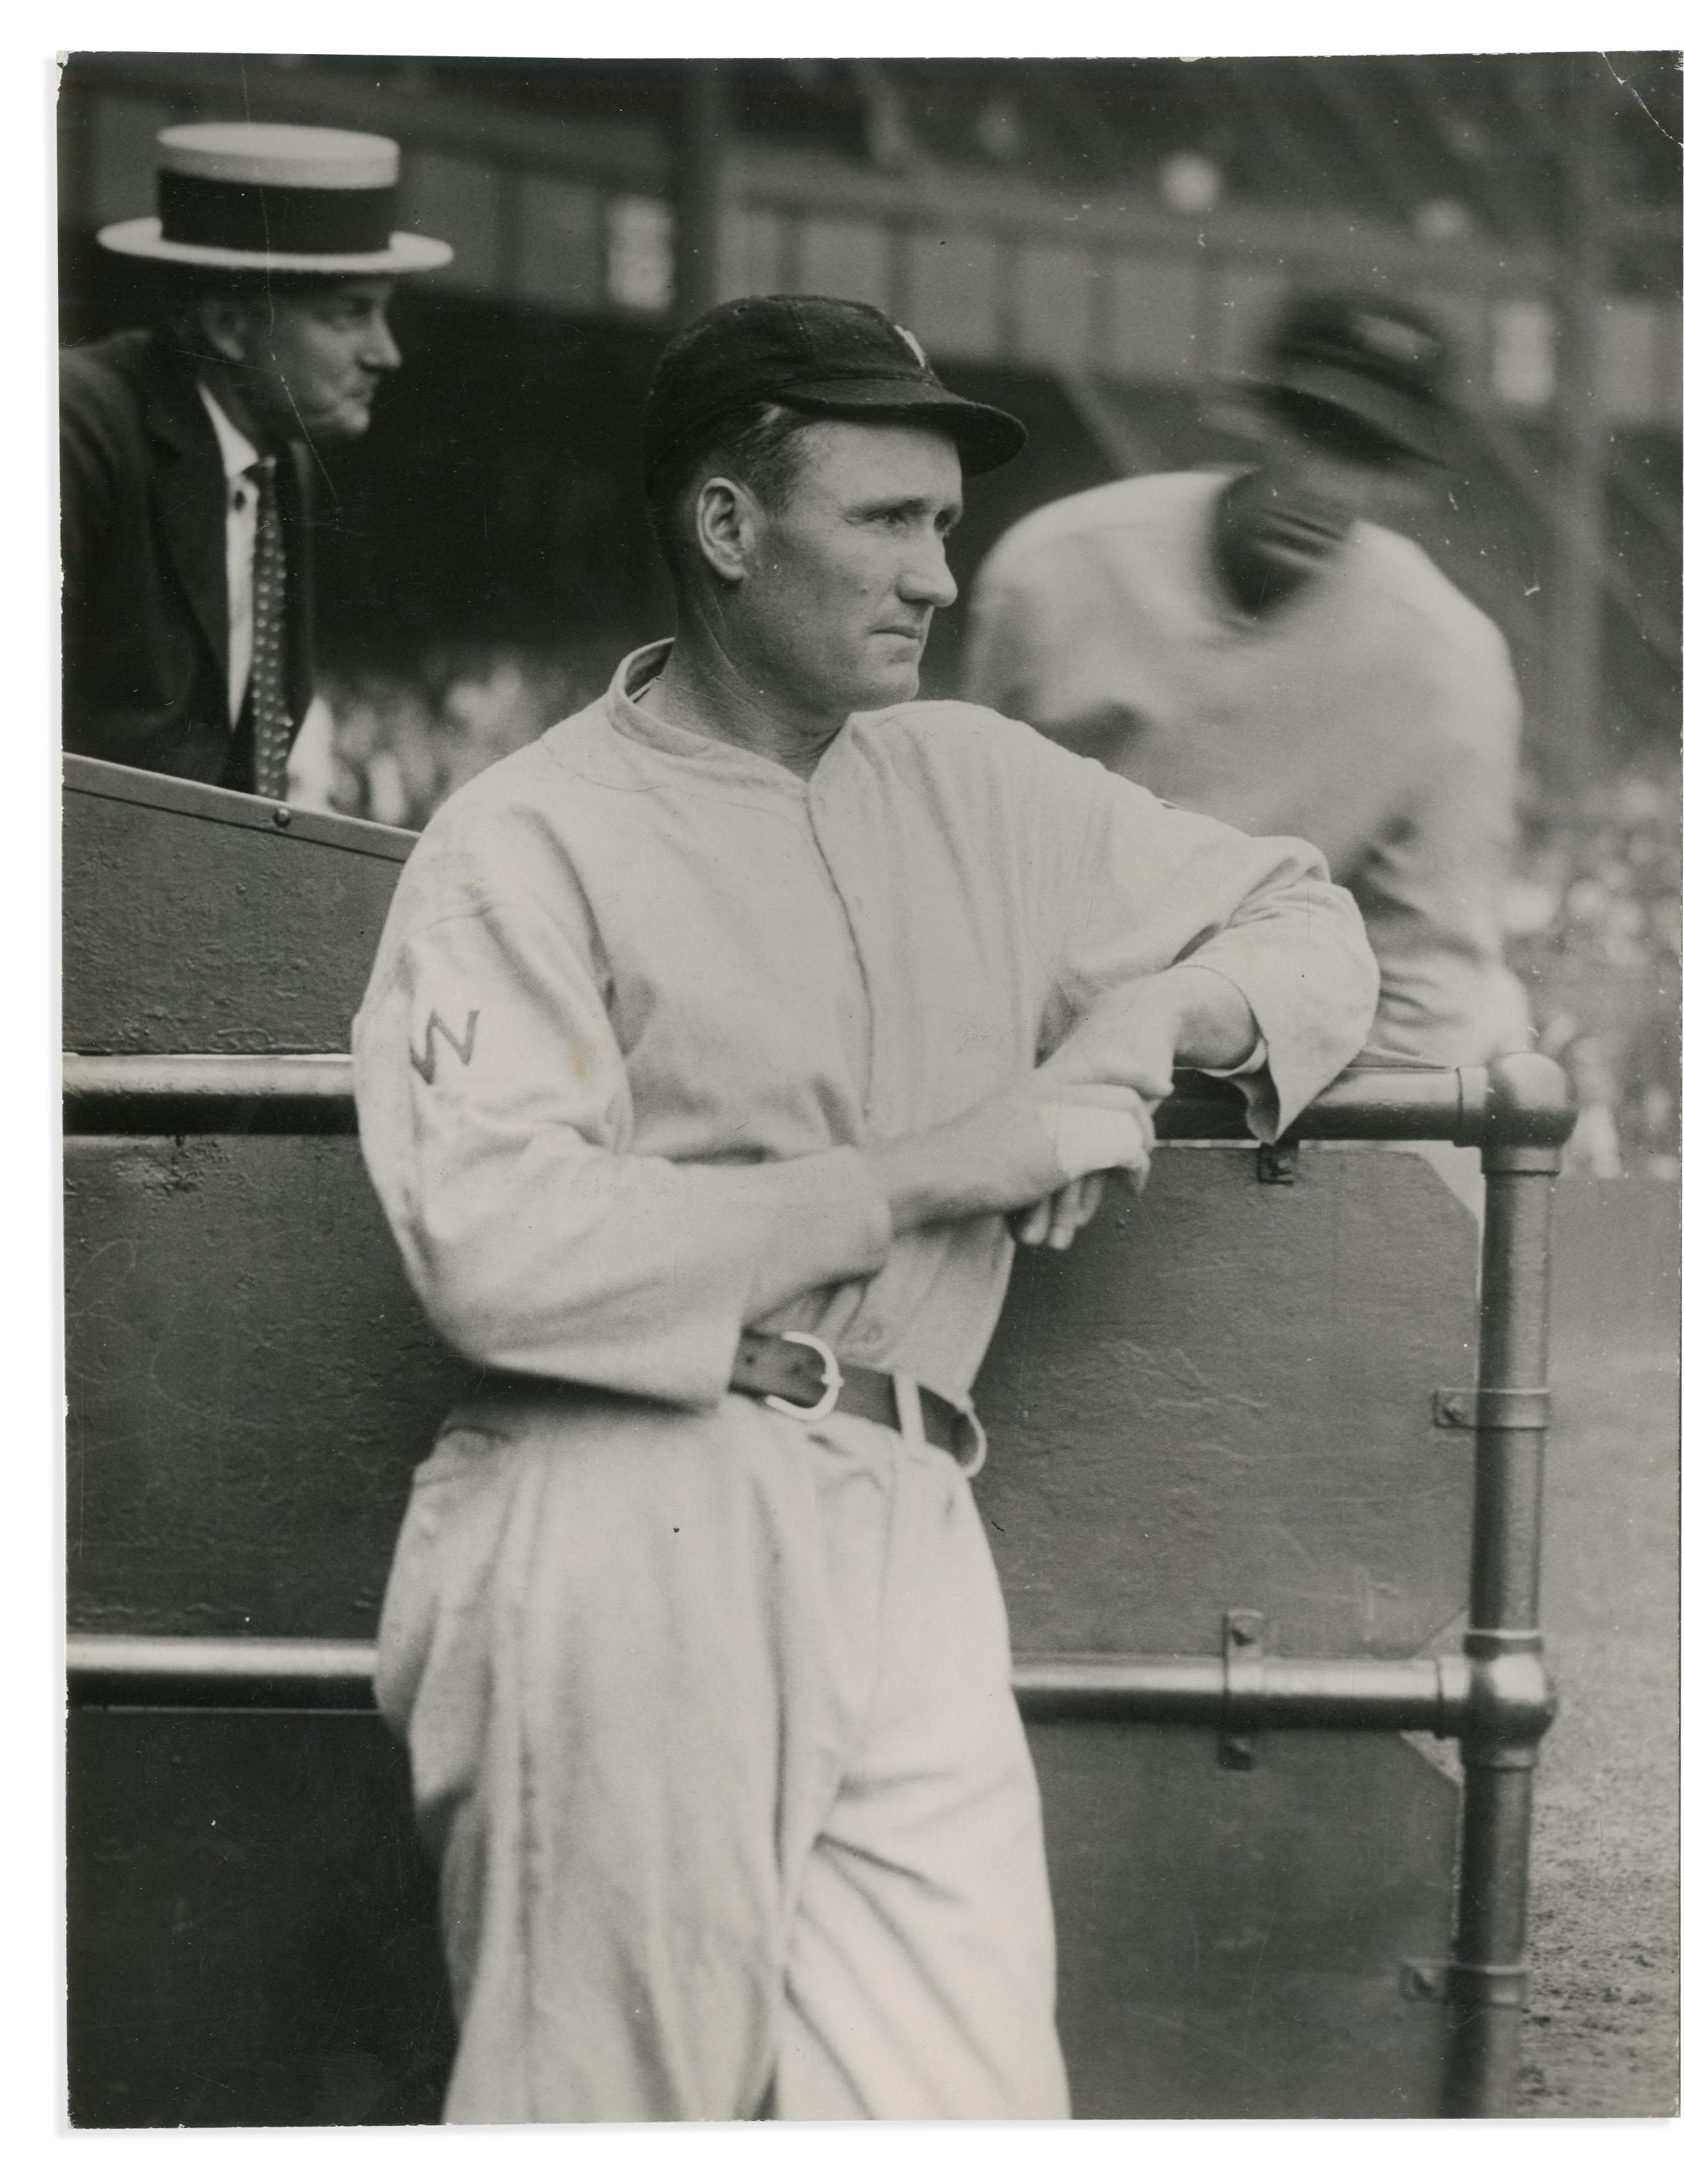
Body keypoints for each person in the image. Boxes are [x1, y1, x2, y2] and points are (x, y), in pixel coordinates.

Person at [352, 294, 1378, 2123]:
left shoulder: (978, 782)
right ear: (729, 532)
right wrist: (938, 1167)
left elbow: (1305, 925)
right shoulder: (523, 837)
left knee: (966, 2116)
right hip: (625, 1500)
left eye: (943, 523)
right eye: (886, 521)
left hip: (909, 1501)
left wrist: (1144, 1028)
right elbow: (496, 1250)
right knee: (597, 2121)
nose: (937, 571)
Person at [964, 288, 1532, 1069]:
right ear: (1253, 419)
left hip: (1278, 1076)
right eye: (1313, 430)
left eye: (1367, 453)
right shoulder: (1058, 567)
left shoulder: (1451, 661)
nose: (1328, 484)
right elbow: (959, 863)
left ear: (1402, 480)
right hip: (1040, 1036)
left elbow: (1434, 985)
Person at [61, 121, 451, 793]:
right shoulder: (68, 425)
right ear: (229, 326)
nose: (385, 353)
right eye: (350, 314)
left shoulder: (279, 463)